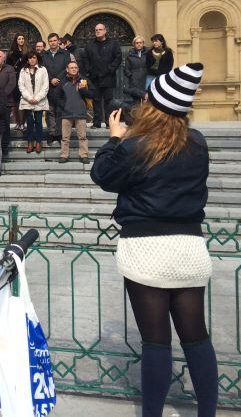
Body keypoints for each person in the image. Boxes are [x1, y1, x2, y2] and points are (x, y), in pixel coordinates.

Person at [90, 63, 216, 417]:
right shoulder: (198, 143)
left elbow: (102, 175)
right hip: (190, 248)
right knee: (196, 336)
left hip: (146, 249)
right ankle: (208, 412)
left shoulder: (136, 147)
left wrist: (115, 136)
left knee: (156, 340)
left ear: (153, 105)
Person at [82, 22, 121, 128]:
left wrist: (111, 69)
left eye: (100, 29)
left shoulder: (113, 43)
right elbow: (85, 58)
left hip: (108, 77)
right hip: (95, 78)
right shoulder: (90, 45)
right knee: (96, 101)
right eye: (96, 30)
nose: (98, 31)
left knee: (109, 101)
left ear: (105, 31)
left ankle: (109, 123)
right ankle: (97, 123)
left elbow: (118, 58)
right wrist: (89, 70)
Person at [57, 61, 94, 164]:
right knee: (65, 137)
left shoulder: (84, 81)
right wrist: (63, 106)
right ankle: (64, 155)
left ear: (78, 69)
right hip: (66, 113)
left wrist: (83, 91)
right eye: (71, 68)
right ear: (67, 70)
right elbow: (57, 96)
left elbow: (92, 94)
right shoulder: (63, 82)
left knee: (82, 136)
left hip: (80, 112)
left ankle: (84, 155)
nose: (74, 69)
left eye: (76, 67)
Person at [43, 33, 74, 146]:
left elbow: (67, 68)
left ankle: (60, 134)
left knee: (60, 111)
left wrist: (58, 79)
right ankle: (51, 133)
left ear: (58, 41)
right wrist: (51, 79)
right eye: (50, 41)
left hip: (62, 86)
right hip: (49, 87)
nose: (53, 43)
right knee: (50, 111)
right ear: (48, 42)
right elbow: (43, 69)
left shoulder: (65, 54)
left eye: (55, 40)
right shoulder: (44, 54)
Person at [18, 51, 49, 154]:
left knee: (39, 122)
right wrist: (29, 98)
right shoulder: (23, 71)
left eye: (34, 58)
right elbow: (21, 86)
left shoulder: (43, 69)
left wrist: (38, 98)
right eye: (30, 58)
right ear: (27, 59)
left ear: (37, 59)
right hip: (28, 101)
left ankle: (39, 142)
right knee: (30, 122)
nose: (32, 59)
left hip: (39, 101)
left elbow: (45, 86)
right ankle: (30, 142)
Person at [7, 33, 29, 132]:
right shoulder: (11, 52)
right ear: (16, 40)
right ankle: (18, 123)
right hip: (15, 78)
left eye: (22, 38)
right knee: (16, 101)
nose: (21, 40)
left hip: (26, 77)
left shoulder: (27, 51)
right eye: (19, 39)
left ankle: (23, 123)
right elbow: (8, 66)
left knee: (24, 100)